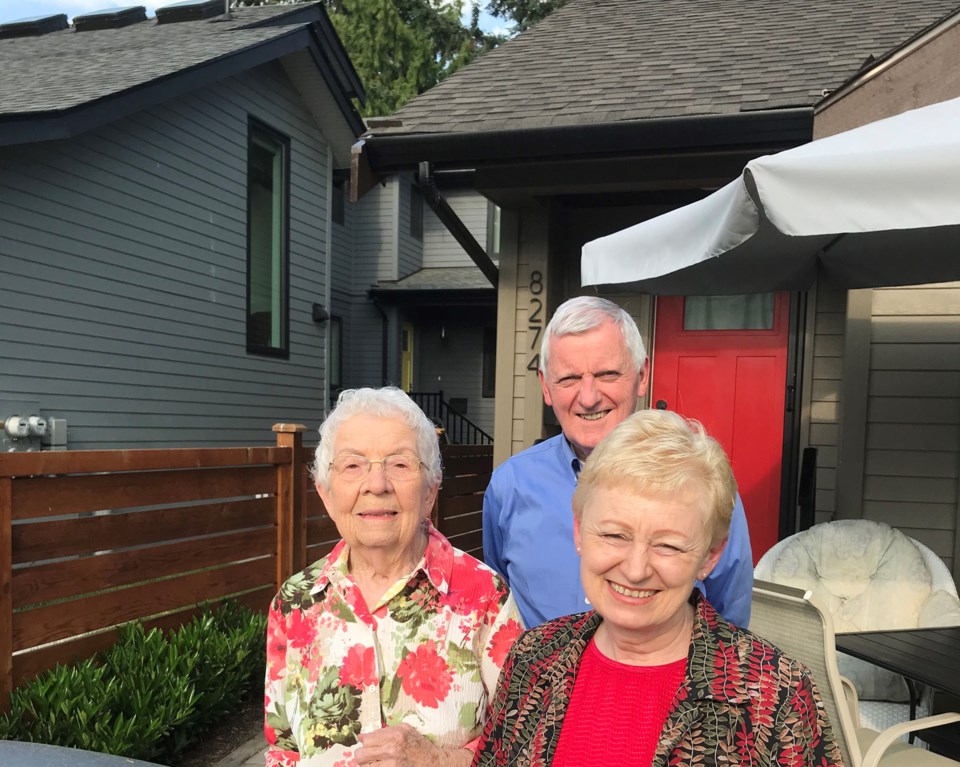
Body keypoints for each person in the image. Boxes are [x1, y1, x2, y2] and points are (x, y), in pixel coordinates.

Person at [473, 410, 843, 767]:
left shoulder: (775, 693)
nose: (635, 570)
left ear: (710, 554)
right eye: (615, 534)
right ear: (579, 531)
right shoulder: (534, 658)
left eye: (668, 545)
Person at [265, 387, 523, 767]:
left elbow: (524, 745)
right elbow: (282, 749)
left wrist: (438, 760)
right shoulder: (295, 602)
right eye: (353, 465)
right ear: (326, 494)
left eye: (399, 465)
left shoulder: (486, 597)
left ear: (430, 492)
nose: (376, 484)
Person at [483, 295, 753, 628]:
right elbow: (499, 604)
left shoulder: (701, 483)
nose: (588, 397)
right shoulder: (511, 485)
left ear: (642, 375)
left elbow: (730, 617)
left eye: (607, 374)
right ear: (546, 387)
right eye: (568, 379)